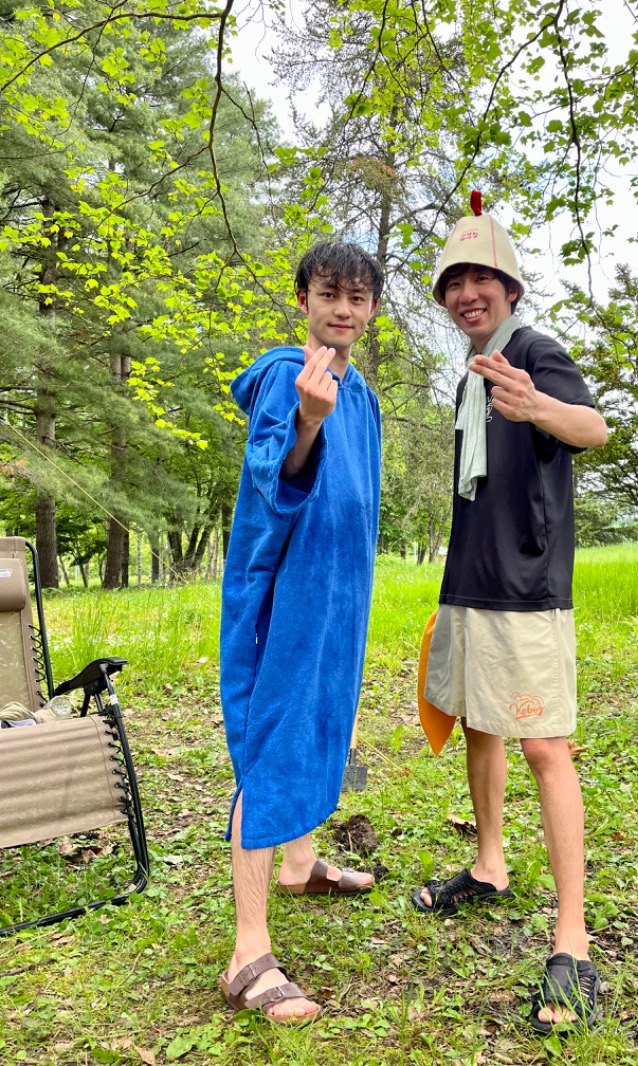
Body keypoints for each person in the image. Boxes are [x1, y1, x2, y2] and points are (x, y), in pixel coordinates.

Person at [412, 193, 608, 1034]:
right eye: (454, 282)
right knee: (478, 725)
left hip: (528, 591)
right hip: (469, 585)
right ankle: (489, 865)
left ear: (511, 287)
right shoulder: (470, 372)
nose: (467, 293)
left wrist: (538, 408)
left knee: (543, 746)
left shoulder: (533, 352)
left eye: (481, 277)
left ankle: (575, 938)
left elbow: (593, 429)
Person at [218, 241, 384, 1024]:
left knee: (324, 722)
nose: (342, 308)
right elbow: (271, 476)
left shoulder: (368, 398)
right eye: (329, 293)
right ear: (305, 299)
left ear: (373, 309)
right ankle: (248, 952)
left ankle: (302, 863)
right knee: (276, 739)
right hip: (284, 593)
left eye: (357, 296)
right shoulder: (290, 376)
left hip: (340, 593)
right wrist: (307, 424)